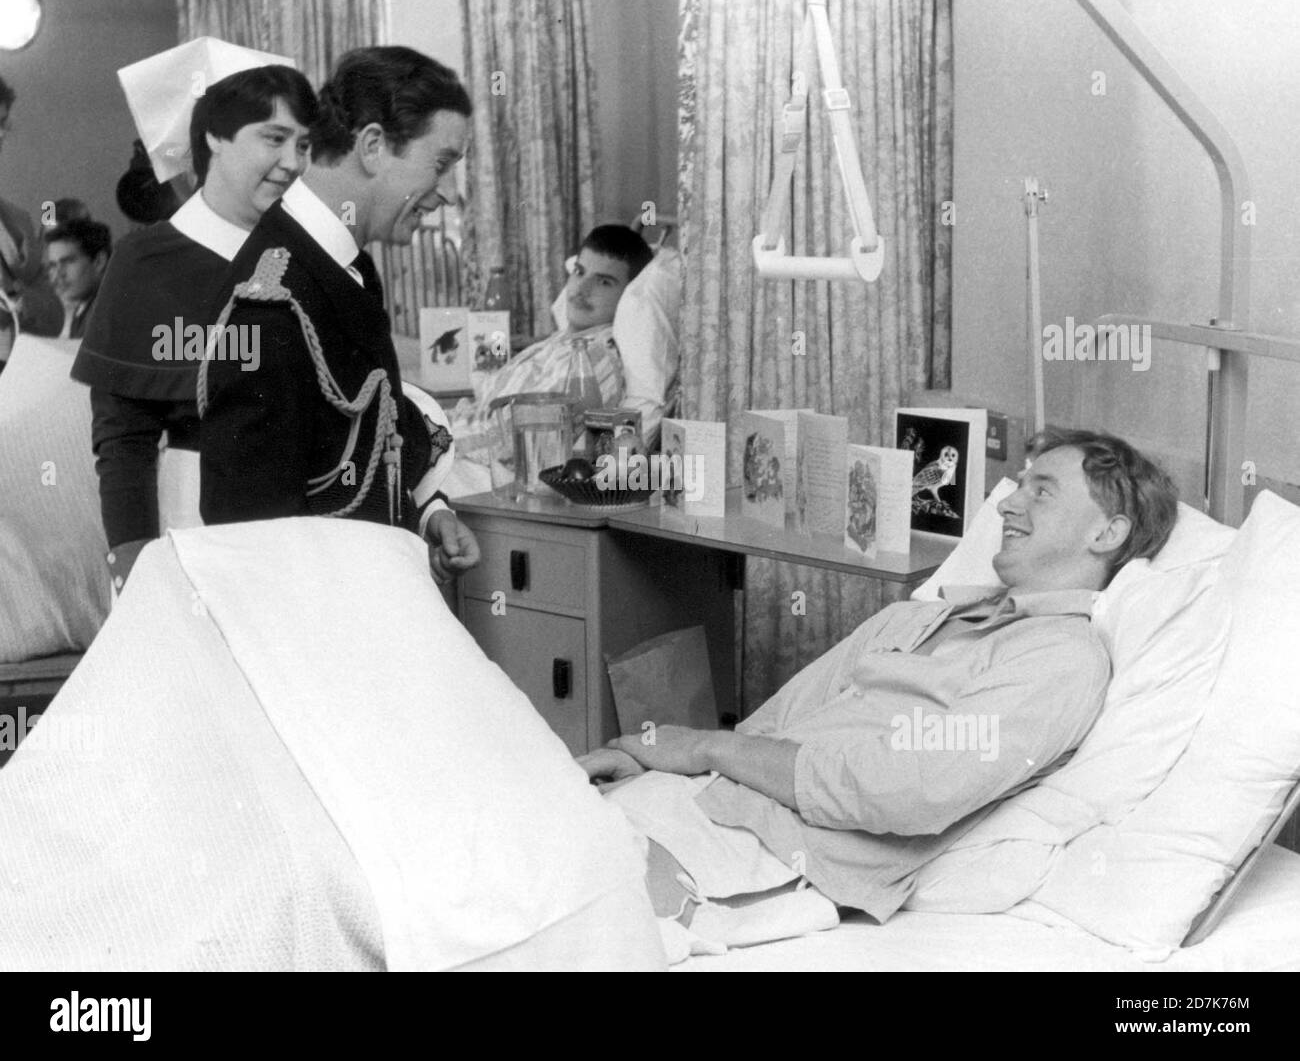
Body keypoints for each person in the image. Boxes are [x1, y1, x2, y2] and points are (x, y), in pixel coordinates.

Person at [579, 428, 1180, 940]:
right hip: (696, 804)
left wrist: (708, 748)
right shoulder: (914, 618)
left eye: (1041, 491)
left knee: (550, 909)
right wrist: (661, 766)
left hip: (775, 852)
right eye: (1018, 485)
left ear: (1106, 534)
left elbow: (904, 791)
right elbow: (775, 724)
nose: (1007, 504)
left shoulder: (1061, 660)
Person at [199, 47, 481, 583]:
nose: (447, 193)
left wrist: (426, 511)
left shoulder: (345, 266)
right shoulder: (270, 301)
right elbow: (251, 536)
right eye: (441, 164)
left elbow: (365, 439)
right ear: (373, 146)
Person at [70, 61, 318, 585]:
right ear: (214, 138)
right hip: (194, 533)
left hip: (311, 531)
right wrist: (133, 563)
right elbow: (124, 439)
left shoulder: (311, 256)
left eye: (303, 144)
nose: (292, 162)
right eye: (274, 138)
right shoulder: (145, 261)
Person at [442, 224, 654, 491]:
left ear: (627, 296)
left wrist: (433, 439)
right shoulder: (556, 342)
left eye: (603, 282)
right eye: (579, 272)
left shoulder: (594, 358)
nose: (581, 288)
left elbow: (516, 438)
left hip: (495, 477)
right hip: (462, 451)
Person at [0, 73, 62, 362]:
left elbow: (53, 306)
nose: (1, 135)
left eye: (3, 124)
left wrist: (25, 304)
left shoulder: (19, 219)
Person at [42, 217, 112, 340]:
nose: (58, 274)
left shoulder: (107, 314)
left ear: (99, 262)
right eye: (53, 265)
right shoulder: (84, 308)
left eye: (68, 262)